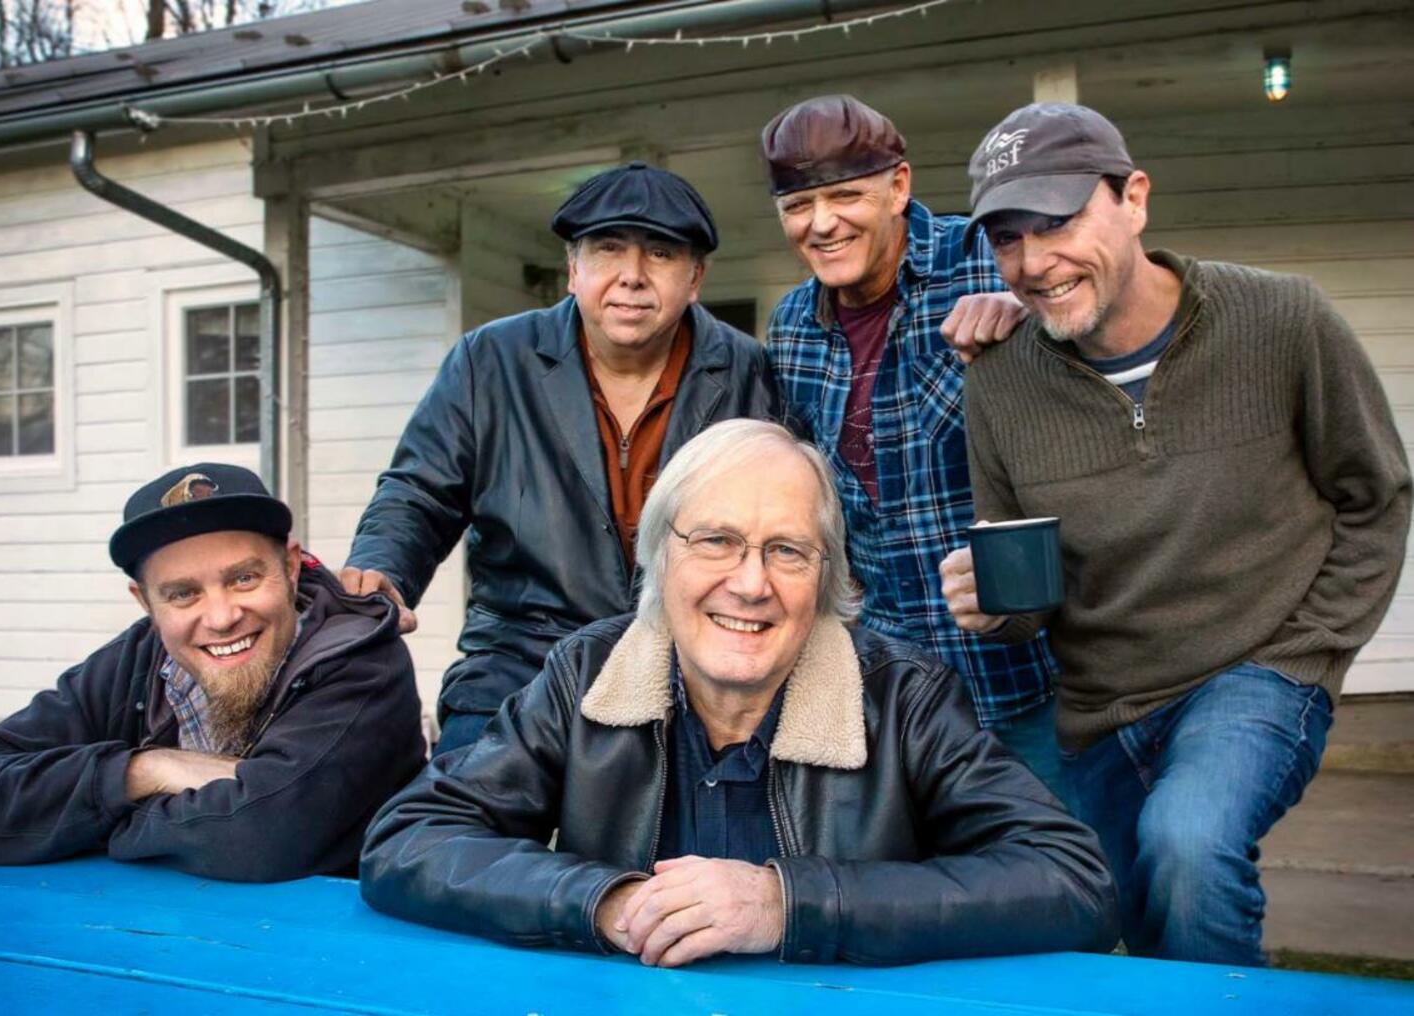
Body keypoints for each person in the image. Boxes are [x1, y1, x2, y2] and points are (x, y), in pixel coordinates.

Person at [360, 420, 1117, 968]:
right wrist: (607, 901)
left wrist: (786, 904)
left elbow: (1073, 881)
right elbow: (408, 840)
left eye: (787, 551)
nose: (750, 584)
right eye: (715, 541)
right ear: (660, 552)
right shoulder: (587, 675)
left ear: (827, 577)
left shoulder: (901, 698)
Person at [939, 102, 1411, 965]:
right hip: (1101, 710)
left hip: (1255, 673)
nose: (1036, 263)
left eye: (1060, 221)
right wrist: (990, 606)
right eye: (1008, 238)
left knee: (1191, 848)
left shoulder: (1282, 321)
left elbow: (1375, 495)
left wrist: (1313, 651)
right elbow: (1028, 599)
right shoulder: (998, 383)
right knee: (1140, 927)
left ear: (1135, 198)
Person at [341, 162, 774, 756]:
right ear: (573, 270)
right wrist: (380, 569)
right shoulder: (490, 359)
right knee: (451, 823)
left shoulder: (750, 372)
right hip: (520, 657)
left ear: (696, 277)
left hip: (691, 662)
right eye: (608, 251)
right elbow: (420, 491)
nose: (632, 277)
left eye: (661, 255)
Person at [0, 463, 426, 882]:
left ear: (290, 567)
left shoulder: (363, 659)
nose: (222, 616)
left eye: (244, 578)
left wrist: (81, 818)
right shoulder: (136, 659)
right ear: (146, 603)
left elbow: (259, 837)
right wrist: (143, 770)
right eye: (183, 593)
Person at [761, 95, 1063, 792]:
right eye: (798, 205)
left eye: (844, 196)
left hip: (1023, 677)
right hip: (887, 687)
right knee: (925, 893)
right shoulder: (793, 327)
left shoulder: (990, 262)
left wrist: (1036, 318)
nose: (822, 223)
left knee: (1064, 884)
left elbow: (1097, 357)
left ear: (899, 187)